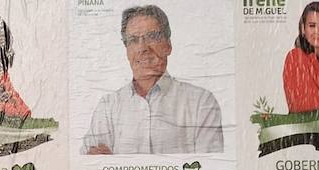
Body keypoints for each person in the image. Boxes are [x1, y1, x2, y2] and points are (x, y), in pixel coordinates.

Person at [82, 5, 223, 155]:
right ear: (127, 51)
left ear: (168, 45)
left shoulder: (201, 102)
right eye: (134, 40)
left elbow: (209, 168)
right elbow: (91, 165)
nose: (143, 48)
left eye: (152, 37)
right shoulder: (108, 107)